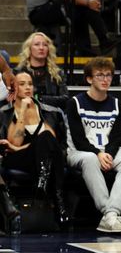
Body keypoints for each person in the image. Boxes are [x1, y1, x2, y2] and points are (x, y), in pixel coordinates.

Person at [65, 57, 121, 233]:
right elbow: (78, 139)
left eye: (108, 75)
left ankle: (111, 215)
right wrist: (98, 153)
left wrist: (109, 154)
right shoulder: (74, 103)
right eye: (99, 75)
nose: (105, 79)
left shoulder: (118, 105)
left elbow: (118, 137)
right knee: (89, 159)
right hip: (80, 151)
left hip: (108, 151)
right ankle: (109, 214)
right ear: (89, 79)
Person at [0, 71, 70, 226]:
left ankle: (43, 184)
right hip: (18, 158)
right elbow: (14, 144)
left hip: (46, 157)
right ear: (13, 88)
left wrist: (18, 147)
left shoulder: (51, 112)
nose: (27, 87)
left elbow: (56, 144)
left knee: (46, 138)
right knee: (45, 140)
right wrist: (23, 110)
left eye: (30, 84)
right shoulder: (5, 113)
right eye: (22, 84)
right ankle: (58, 200)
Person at [16, 32, 68, 110]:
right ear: (29, 48)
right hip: (24, 112)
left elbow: (65, 99)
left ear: (49, 49)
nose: (41, 48)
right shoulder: (18, 72)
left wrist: (39, 99)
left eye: (45, 45)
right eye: (37, 44)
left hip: (51, 115)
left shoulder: (57, 73)